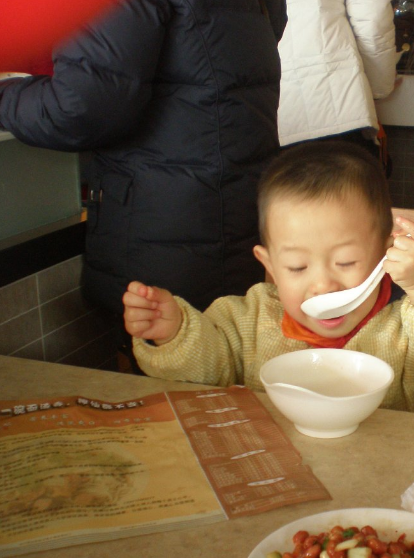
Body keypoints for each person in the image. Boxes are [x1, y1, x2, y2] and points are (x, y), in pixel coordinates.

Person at [122, 141, 414, 413]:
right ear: (270, 267)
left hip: (388, 487)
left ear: (384, 252)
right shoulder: (246, 321)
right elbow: (204, 378)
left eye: (345, 262)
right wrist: (174, 334)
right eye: (296, 268)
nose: (324, 285)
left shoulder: (409, 327)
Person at [0, 0, 286, 319]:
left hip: (165, 220)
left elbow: (83, 109)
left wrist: (4, 95)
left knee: (171, 349)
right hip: (237, 199)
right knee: (233, 340)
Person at [276, 0, 399, 170]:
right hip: (329, 90)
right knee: (346, 186)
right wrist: (378, 89)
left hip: (252, 104)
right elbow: (372, 20)